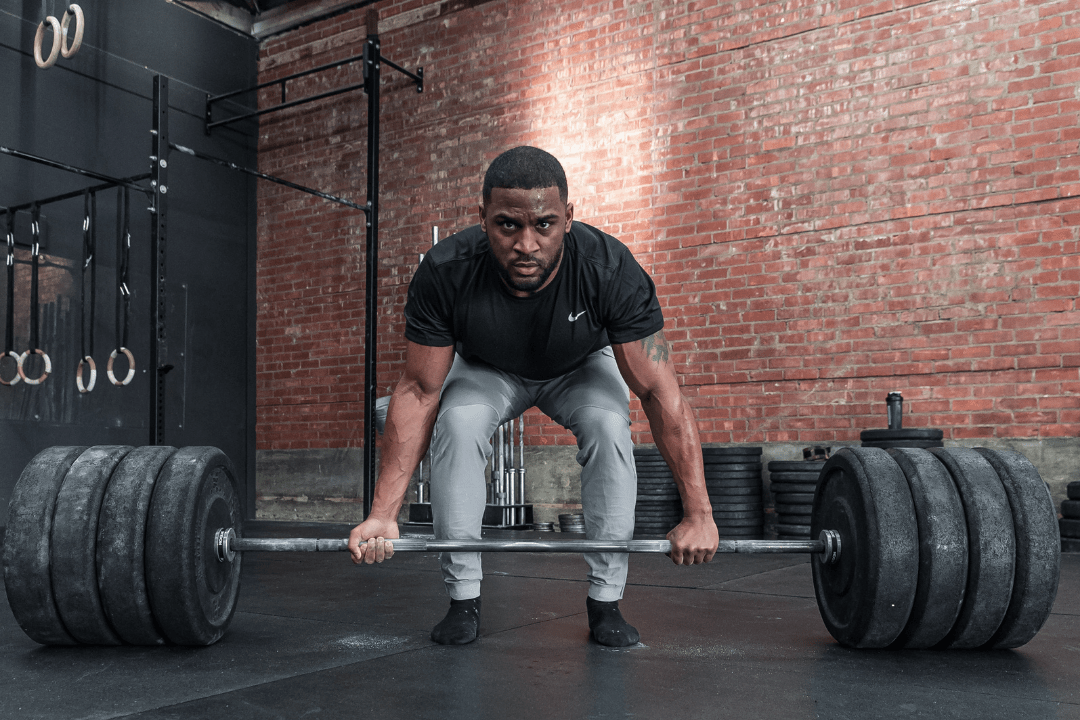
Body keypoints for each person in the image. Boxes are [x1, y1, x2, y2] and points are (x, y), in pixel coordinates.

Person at [348, 146, 719, 647]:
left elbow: (659, 391)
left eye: (544, 225)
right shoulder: (446, 271)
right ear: (482, 218)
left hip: (580, 367)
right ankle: (463, 598)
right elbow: (418, 390)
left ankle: (606, 601)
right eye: (508, 225)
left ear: (569, 217)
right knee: (457, 424)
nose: (526, 244)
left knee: (610, 426)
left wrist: (699, 514)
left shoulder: (610, 269)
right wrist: (383, 514)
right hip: (488, 370)